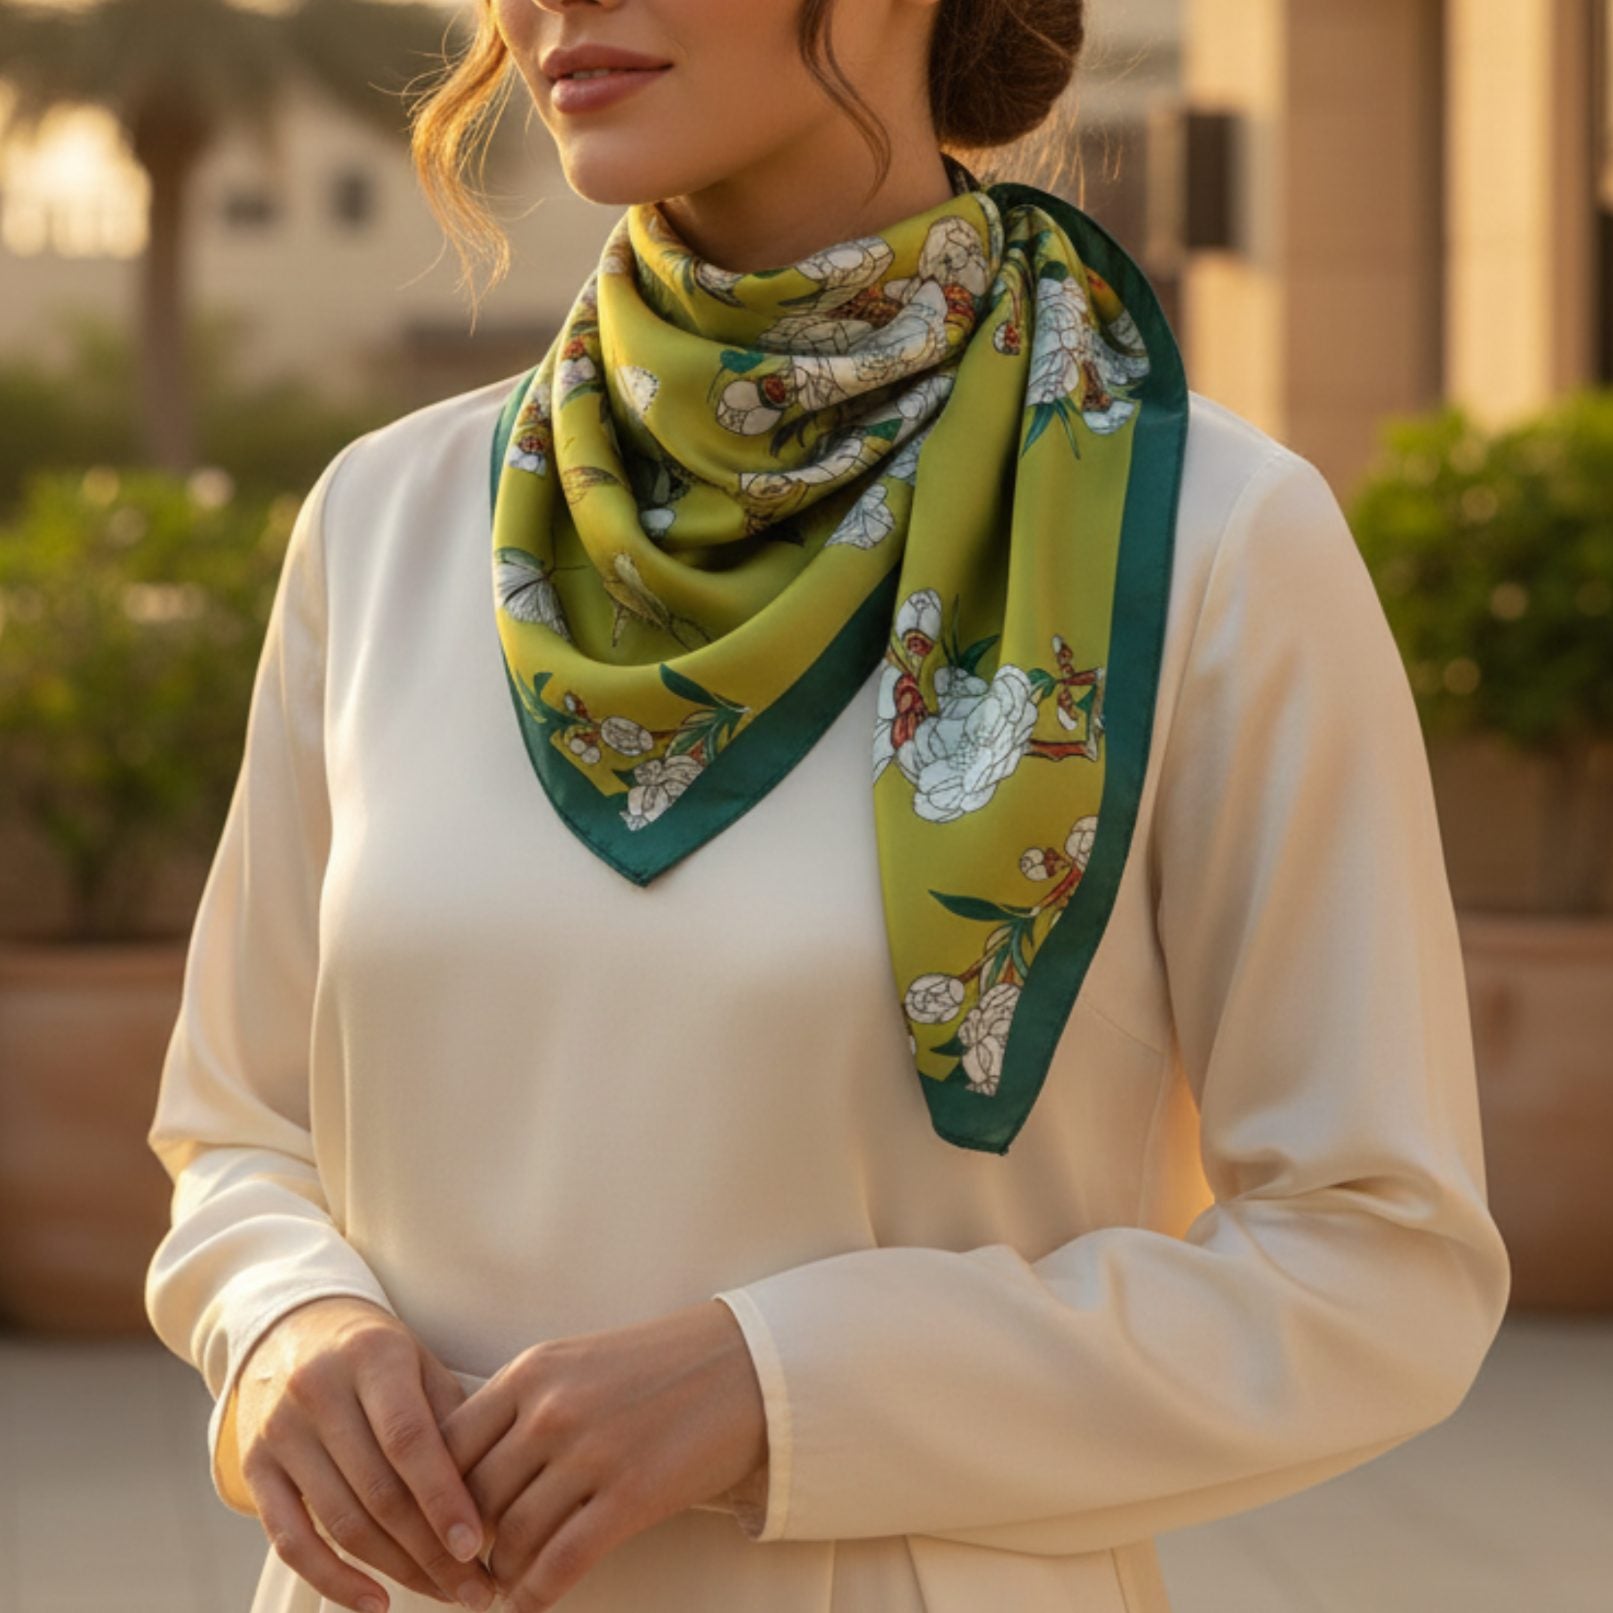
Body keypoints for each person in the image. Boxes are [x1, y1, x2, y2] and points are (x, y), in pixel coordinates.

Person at [142, 1, 1513, 1611]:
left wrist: (782, 1388)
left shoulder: (1204, 539)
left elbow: (1376, 1259)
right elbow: (238, 1130)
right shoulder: (387, 522)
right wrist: (283, 1323)